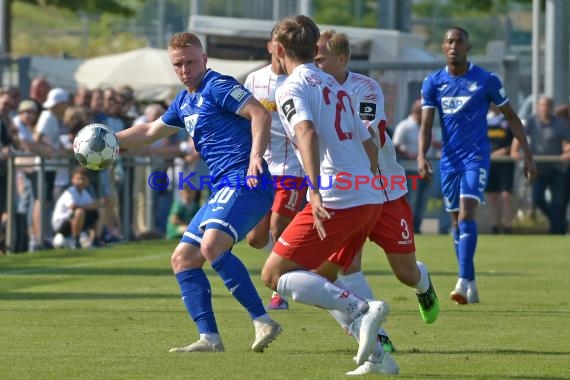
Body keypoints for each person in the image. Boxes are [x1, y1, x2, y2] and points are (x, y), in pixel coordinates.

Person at [115, 31, 282, 353]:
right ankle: (210, 338)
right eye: (178, 64)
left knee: (212, 245)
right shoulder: (184, 100)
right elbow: (150, 131)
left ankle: (263, 319)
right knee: (183, 258)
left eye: (191, 62)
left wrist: (256, 156)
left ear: (204, 60)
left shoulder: (218, 86)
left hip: (246, 180)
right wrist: (111, 139)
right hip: (223, 187)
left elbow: (259, 113)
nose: (185, 69)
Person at [259, 15, 397, 375]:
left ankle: (362, 310)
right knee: (324, 276)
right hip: (367, 195)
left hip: (337, 195)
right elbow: (368, 141)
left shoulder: (290, 87)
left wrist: (315, 190)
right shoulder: (336, 85)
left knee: (273, 274)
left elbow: (305, 132)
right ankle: (379, 358)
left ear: (278, 48)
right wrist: (368, 184)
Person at [314, 29, 439, 361]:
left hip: (383, 192)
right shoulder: (312, 88)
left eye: (321, 56)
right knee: (344, 266)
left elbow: (368, 132)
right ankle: (376, 337)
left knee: (405, 272)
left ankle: (423, 281)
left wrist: (363, 175)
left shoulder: (365, 88)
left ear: (340, 59)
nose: (315, 61)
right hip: (344, 193)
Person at [418, 26, 537, 305]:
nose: (454, 46)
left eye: (459, 41)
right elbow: (425, 125)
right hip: (449, 161)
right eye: (449, 41)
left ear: (468, 46)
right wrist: (422, 156)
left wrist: (528, 155)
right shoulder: (433, 82)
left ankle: (461, 280)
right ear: (442, 47)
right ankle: (470, 280)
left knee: (467, 213)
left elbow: (513, 118)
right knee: (456, 221)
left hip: (476, 157)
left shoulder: (486, 80)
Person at [244, 27, 306, 310]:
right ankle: (302, 265)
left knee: (278, 229)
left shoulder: (300, 81)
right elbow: (244, 120)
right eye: (277, 46)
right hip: (262, 168)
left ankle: (279, 289)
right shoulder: (254, 80)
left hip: (292, 169)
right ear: (270, 47)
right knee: (255, 238)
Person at [511, 96, 570, 234]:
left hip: (557, 168)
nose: (544, 109)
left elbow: (567, 142)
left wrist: (567, 151)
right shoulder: (532, 121)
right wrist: (514, 151)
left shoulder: (560, 123)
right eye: (542, 106)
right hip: (538, 169)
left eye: (547, 106)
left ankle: (556, 230)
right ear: (538, 107)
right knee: (537, 198)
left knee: (559, 202)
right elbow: (520, 135)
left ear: (551, 108)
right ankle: (559, 222)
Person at [392, 99, 433, 233]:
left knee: (423, 202)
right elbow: (395, 145)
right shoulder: (404, 126)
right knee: (411, 201)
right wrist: (409, 154)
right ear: (418, 112)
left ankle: (417, 227)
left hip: (425, 170)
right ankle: (408, 227)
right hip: (410, 171)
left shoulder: (424, 127)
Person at [51, 167, 100, 249]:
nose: (80, 182)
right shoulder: (69, 192)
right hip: (61, 225)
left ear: (87, 181)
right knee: (79, 211)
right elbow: (72, 206)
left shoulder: (85, 193)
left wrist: (88, 206)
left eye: (83, 179)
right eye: (78, 179)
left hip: (74, 220)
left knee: (100, 212)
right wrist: (87, 206)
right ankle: (76, 241)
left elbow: (95, 204)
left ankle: (95, 239)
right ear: (73, 180)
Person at [485, 103, 515, 234]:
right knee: (492, 196)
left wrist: (506, 150)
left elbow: (516, 140)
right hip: (489, 163)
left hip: (505, 163)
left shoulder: (507, 120)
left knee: (506, 195)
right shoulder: (484, 120)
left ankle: (508, 226)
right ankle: (494, 226)